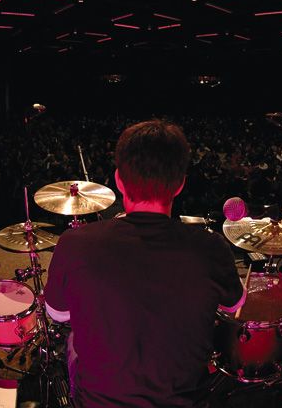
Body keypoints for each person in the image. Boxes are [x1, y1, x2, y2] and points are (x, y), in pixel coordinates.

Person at [43, 119, 246, 407]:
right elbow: (233, 306)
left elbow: (58, 313)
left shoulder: (74, 243)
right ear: (180, 184)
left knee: (74, 340)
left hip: (99, 402)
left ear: (118, 180)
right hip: (184, 400)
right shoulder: (212, 247)